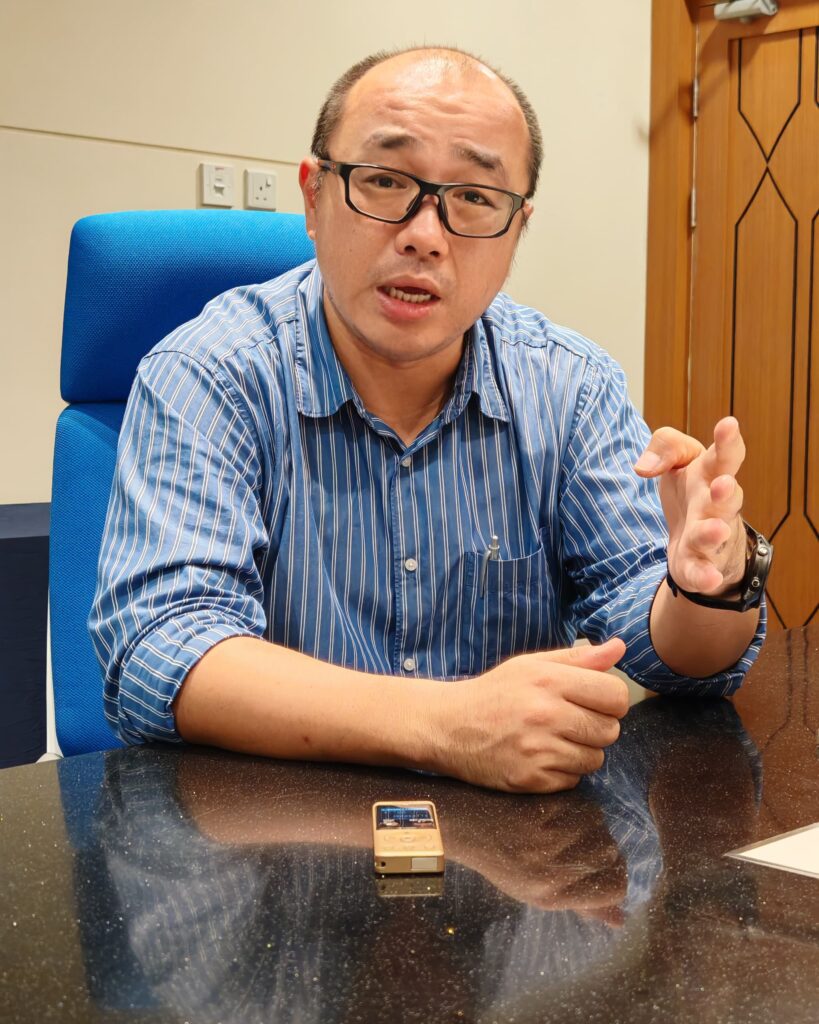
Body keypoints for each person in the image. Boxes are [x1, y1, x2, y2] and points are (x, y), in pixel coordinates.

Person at [90, 46, 767, 794]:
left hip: (515, 843)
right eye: (385, 181)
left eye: (474, 197)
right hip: (269, 824)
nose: (424, 234)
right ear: (313, 198)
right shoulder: (209, 373)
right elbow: (163, 646)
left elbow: (675, 654)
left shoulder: (570, 386)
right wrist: (448, 725)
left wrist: (709, 582)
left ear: (516, 229)